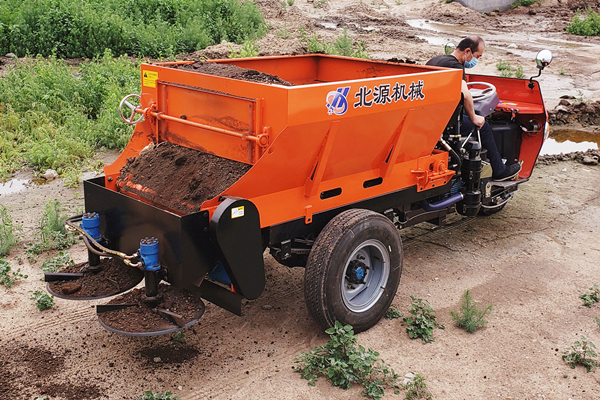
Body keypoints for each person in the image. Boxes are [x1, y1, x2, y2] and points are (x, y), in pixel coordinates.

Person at [427, 36, 521, 181]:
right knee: (483, 126)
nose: (476, 60)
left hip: (428, 117)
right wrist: (474, 117)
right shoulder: (456, 67)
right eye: (477, 56)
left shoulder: (436, 60)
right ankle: (499, 171)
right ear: (468, 51)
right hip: (443, 122)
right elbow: (465, 95)